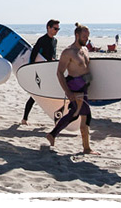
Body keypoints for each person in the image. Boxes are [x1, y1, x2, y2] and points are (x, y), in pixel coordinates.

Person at [45, 23, 99, 155]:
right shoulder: (68, 52)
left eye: (88, 36)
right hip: (75, 87)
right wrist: (68, 92)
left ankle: (52, 134)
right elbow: (59, 73)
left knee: (75, 114)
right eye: (84, 36)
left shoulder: (85, 50)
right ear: (77, 35)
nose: (86, 39)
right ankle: (86, 148)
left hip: (84, 87)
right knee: (84, 115)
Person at [21, 19, 59, 125]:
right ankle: (24, 119)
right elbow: (33, 55)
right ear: (48, 28)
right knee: (35, 95)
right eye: (55, 28)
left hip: (50, 71)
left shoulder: (55, 41)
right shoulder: (42, 40)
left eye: (58, 29)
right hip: (40, 71)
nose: (57, 31)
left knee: (51, 95)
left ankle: (57, 118)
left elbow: (53, 55)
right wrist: (32, 70)